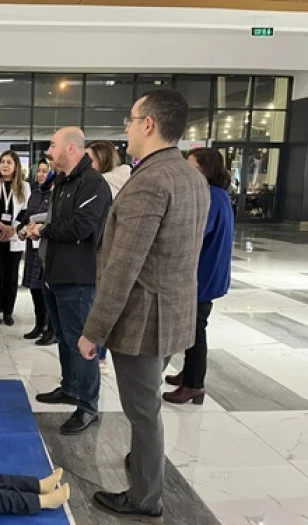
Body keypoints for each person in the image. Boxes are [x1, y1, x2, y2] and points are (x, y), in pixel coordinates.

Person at [77, 90, 210, 519]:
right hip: (173, 312)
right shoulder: (190, 175)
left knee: (143, 410)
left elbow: (123, 268)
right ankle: (144, 462)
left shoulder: (150, 181)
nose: (126, 128)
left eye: (131, 120)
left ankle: (145, 497)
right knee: (147, 402)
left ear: (148, 124)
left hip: (143, 321)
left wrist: (94, 331)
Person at [28, 128, 111, 435]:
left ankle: (88, 406)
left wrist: (43, 231)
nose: (49, 151)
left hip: (78, 277)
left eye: (53, 145)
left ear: (72, 149)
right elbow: (57, 221)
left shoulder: (93, 183)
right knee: (63, 337)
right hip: (55, 273)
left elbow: (81, 227)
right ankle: (71, 388)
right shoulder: (63, 181)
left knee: (80, 343)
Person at [163, 147, 234, 404]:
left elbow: (196, 231)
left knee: (195, 328)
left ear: (205, 170)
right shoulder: (218, 194)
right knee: (193, 326)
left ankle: (194, 384)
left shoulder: (210, 196)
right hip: (207, 272)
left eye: (191, 167)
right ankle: (189, 372)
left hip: (202, 274)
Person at [84, 140, 132, 374]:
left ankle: (98, 355)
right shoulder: (123, 182)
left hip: (105, 251)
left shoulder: (104, 184)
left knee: (98, 305)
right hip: (107, 250)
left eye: (89, 159)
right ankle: (99, 354)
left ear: (102, 160)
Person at [0, 150, 31, 326]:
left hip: (13, 236)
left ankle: (8, 311)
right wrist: (1, 226)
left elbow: (25, 210)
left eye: (9, 162)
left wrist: (12, 228)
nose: (5, 165)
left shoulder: (24, 186)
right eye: (2, 162)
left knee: (11, 277)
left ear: (16, 166)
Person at [18, 159, 55, 346]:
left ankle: (51, 329)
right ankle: (39, 324)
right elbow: (27, 216)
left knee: (46, 290)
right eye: (39, 171)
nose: (41, 174)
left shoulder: (55, 194)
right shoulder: (35, 193)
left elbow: (51, 219)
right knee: (34, 288)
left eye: (45, 171)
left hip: (46, 248)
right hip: (32, 248)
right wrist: (21, 229)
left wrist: (36, 225)